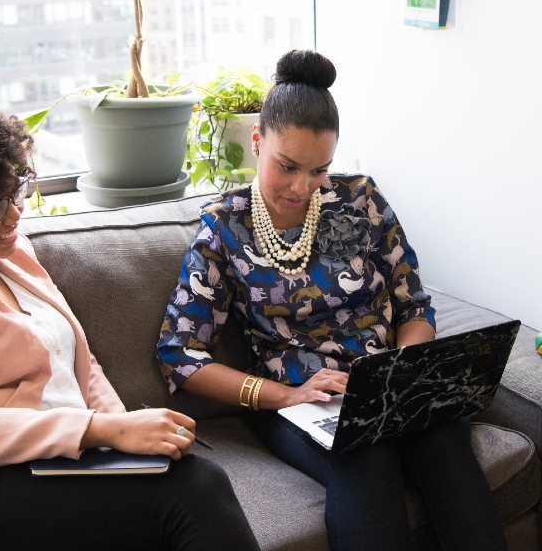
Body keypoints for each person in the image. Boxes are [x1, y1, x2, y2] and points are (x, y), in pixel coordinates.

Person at [0, 95, 260, 551]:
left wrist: (127, 440)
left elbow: (81, 365)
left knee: (177, 479)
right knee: (194, 489)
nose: (15, 213)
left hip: (45, 463)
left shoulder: (12, 255)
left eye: (16, 193)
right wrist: (101, 432)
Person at [156, 50, 507, 551]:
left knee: (444, 437)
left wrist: (404, 366)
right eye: (288, 166)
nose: (302, 187)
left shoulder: (361, 199)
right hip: (297, 399)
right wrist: (287, 395)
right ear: (258, 141)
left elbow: (414, 306)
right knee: (365, 455)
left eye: (319, 170)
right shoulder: (224, 228)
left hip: (384, 382)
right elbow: (179, 356)